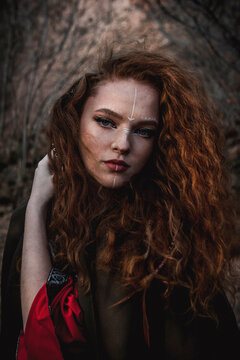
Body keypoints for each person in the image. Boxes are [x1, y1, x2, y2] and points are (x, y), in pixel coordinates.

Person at [1, 45, 240, 360]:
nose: (122, 144)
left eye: (143, 131)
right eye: (105, 121)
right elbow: (26, 335)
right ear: (75, 124)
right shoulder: (35, 217)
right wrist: (35, 207)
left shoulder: (164, 234)